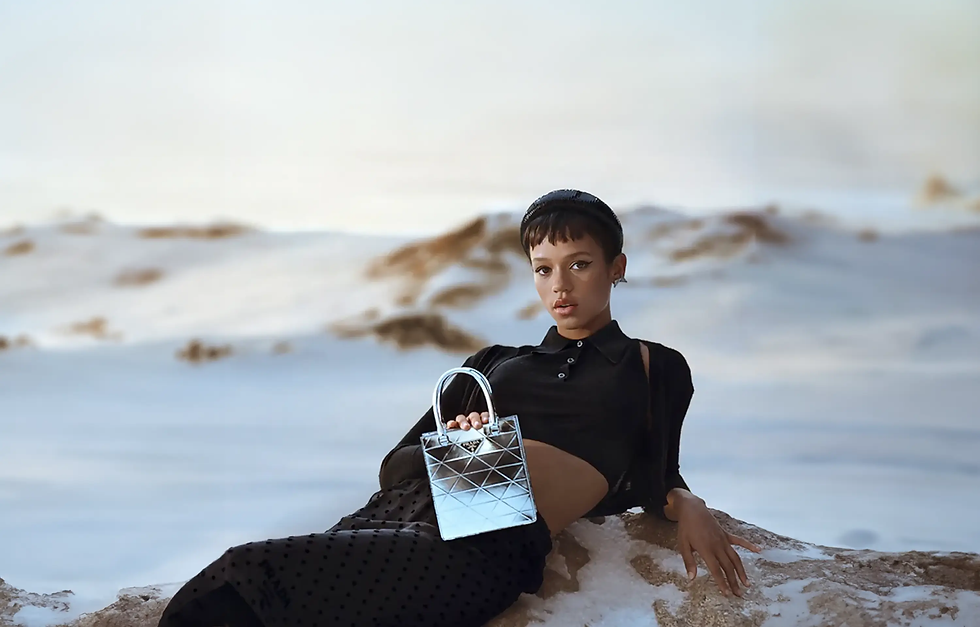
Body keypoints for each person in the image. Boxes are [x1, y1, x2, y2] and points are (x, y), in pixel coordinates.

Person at [157, 189, 761, 627]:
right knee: (235, 586)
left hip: (486, 541)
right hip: (402, 513)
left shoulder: (653, 364)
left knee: (251, 576)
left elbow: (654, 474)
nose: (561, 287)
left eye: (579, 265)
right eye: (543, 269)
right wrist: (469, 447)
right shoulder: (495, 360)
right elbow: (395, 465)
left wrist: (691, 505)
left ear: (616, 268)